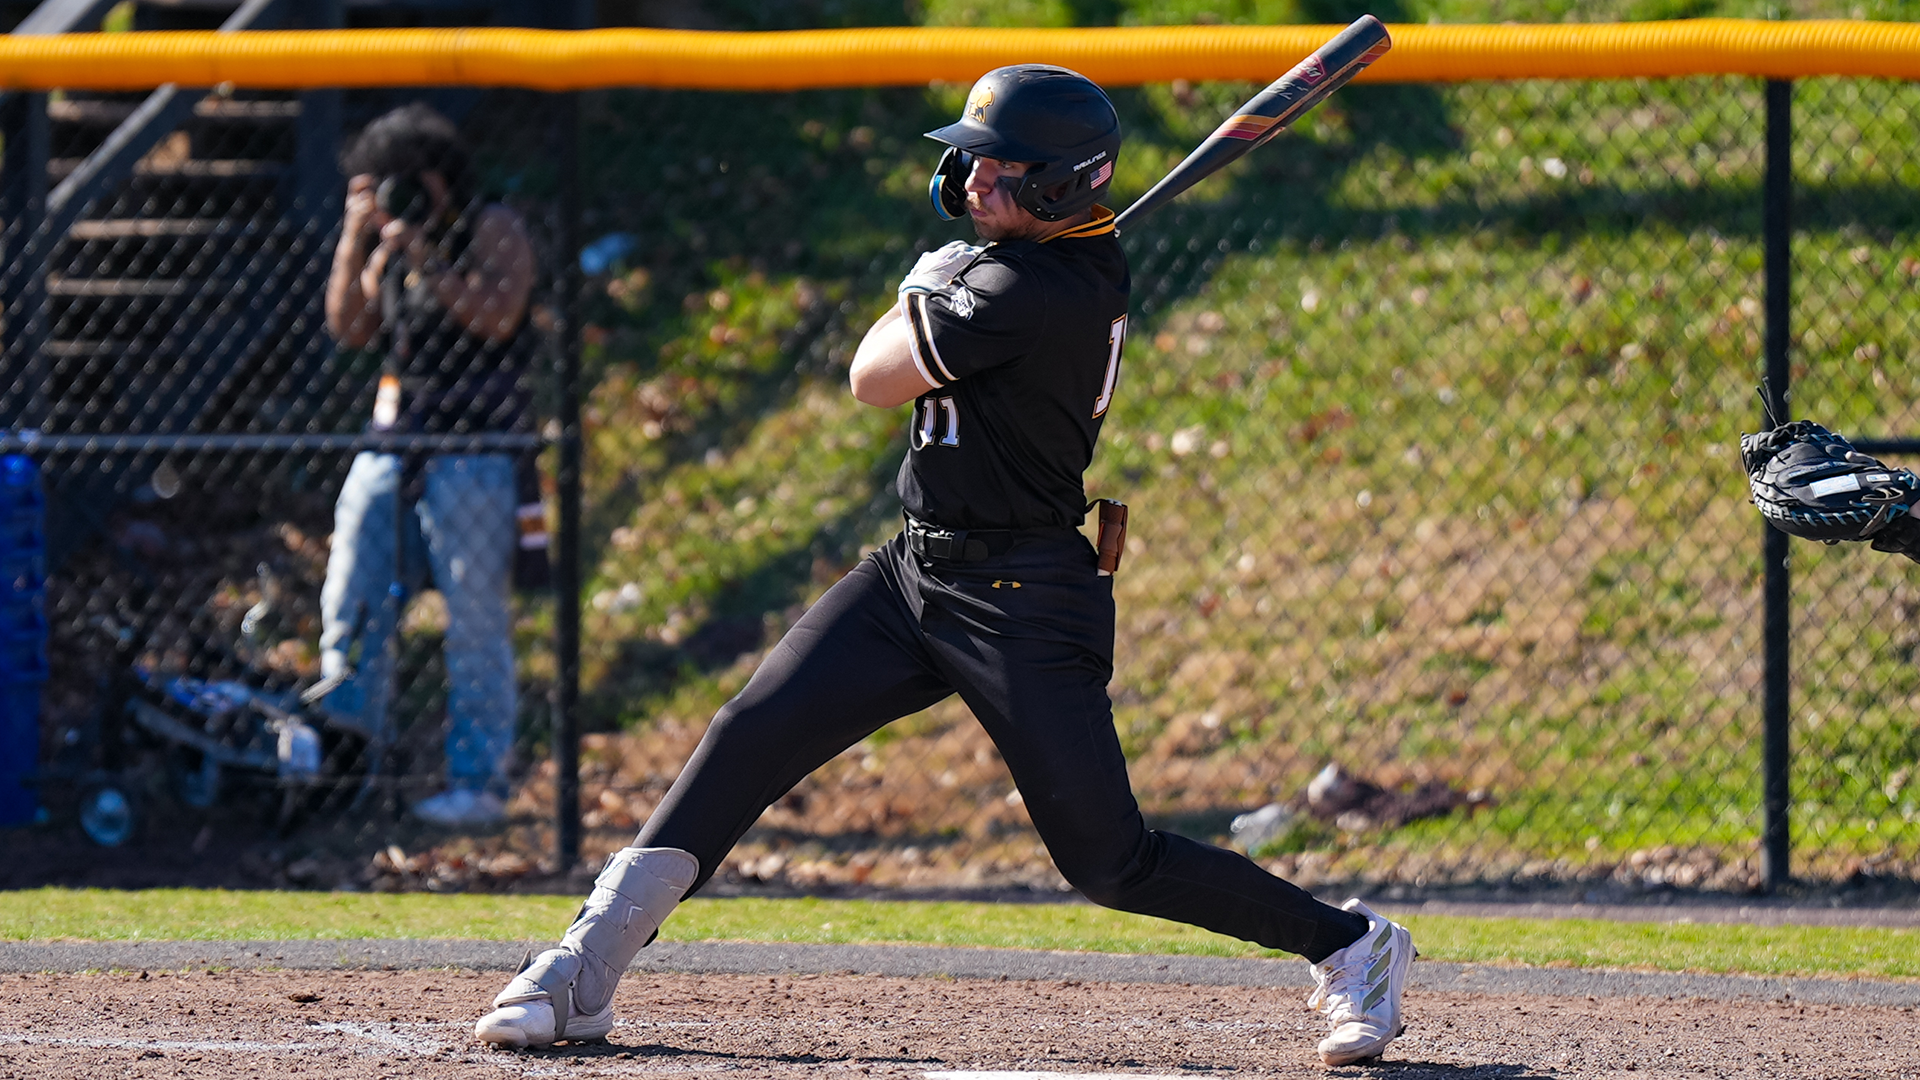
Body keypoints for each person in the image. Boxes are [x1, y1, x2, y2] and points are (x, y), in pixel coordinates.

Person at [472, 66, 1414, 1066]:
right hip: (911, 576)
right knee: (749, 733)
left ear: (1062, 185)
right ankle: (580, 969)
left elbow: (871, 377)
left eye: (1004, 171)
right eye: (973, 160)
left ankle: (1354, 947)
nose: (973, 183)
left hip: (1025, 601)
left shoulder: (1027, 289)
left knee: (1111, 862)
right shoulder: (1035, 266)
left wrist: (928, 281)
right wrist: (961, 268)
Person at [320, 103, 538, 827]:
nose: (396, 199)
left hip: (476, 450)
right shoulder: (384, 241)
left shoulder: (491, 227)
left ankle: (477, 782)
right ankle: (343, 761)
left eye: (404, 184)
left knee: (474, 618)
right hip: (394, 444)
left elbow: (499, 315)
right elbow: (348, 328)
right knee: (351, 595)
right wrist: (359, 239)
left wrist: (430, 260)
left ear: (439, 181)